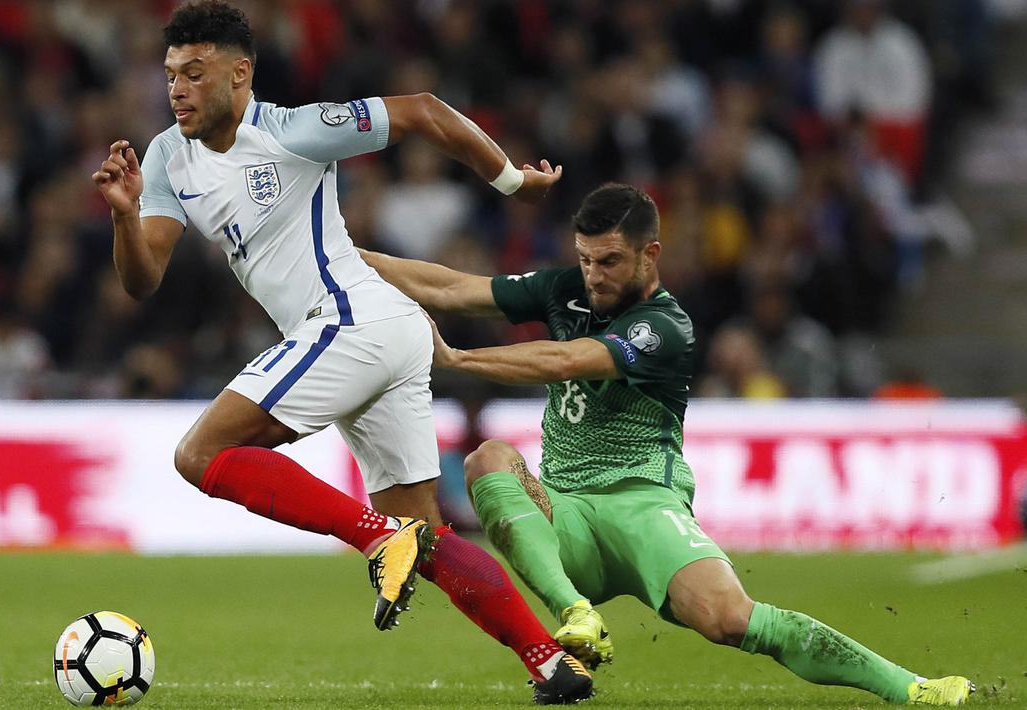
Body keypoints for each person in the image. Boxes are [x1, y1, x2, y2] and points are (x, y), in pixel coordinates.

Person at [91, 1, 592, 703]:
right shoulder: (169, 157)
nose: (177, 88)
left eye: (195, 73)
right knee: (428, 536)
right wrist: (123, 215)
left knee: (199, 456)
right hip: (374, 335)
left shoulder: (294, 130)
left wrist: (510, 181)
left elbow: (419, 108)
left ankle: (374, 537)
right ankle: (550, 662)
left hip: (351, 322)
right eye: (172, 73)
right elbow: (142, 279)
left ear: (240, 75)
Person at [362, 183, 975, 706]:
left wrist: (461, 357)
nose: (594, 277)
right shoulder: (566, 289)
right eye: (584, 260)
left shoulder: (666, 327)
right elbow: (446, 287)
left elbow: (571, 358)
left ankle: (911, 688)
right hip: (565, 514)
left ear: (650, 254)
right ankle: (574, 613)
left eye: (609, 262)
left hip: (644, 508)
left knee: (732, 619)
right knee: (488, 458)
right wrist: (340, 254)